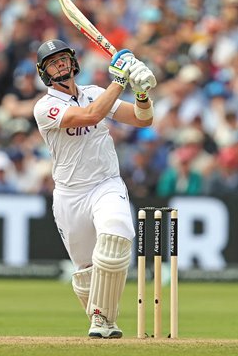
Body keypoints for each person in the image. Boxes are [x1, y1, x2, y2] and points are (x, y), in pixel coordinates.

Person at [33, 39, 156, 339]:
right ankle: (104, 320)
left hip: (105, 183)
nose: (61, 64)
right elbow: (90, 116)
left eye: (64, 58)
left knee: (116, 237)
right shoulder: (45, 107)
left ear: (73, 62)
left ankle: (102, 320)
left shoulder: (94, 93)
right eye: (53, 62)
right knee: (86, 271)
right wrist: (120, 80)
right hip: (69, 194)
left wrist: (141, 92)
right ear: (44, 72)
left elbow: (143, 119)